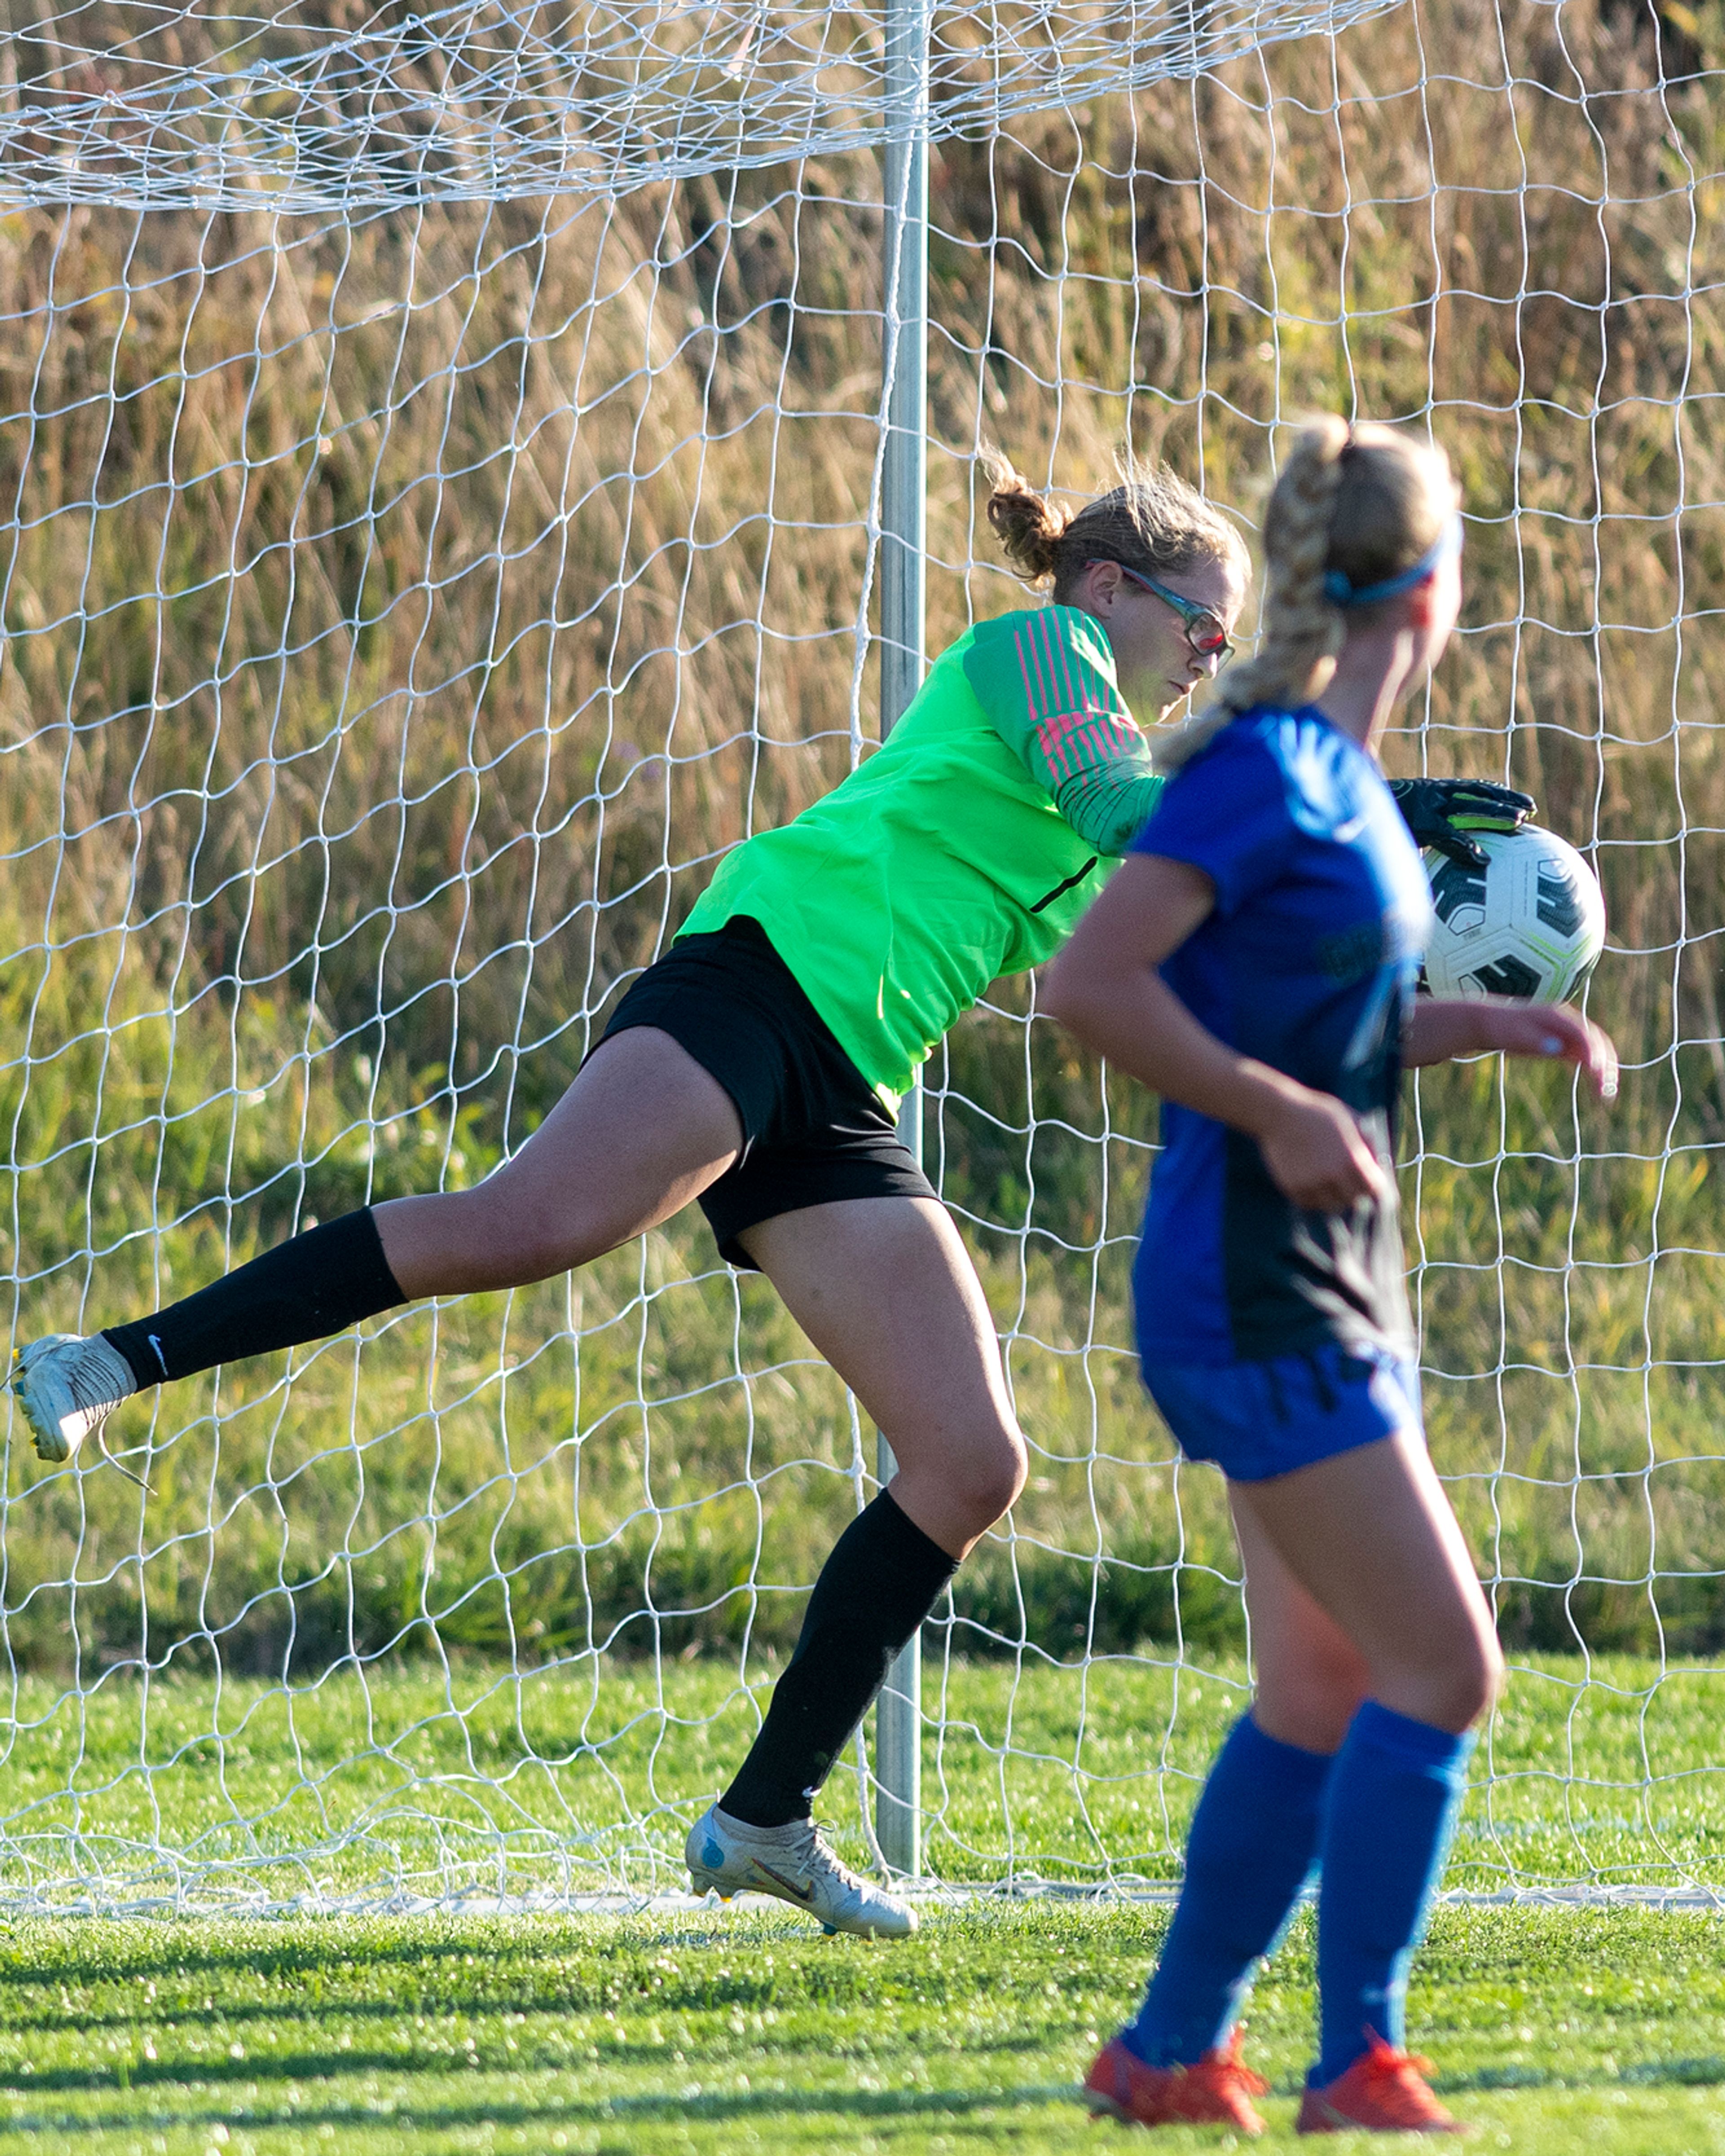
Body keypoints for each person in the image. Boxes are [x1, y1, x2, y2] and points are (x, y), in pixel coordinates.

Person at [11, 451, 1253, 1939]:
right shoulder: (1047, 648)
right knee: (525, 1226)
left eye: (1227, 648)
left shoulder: (1109, 765)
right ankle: (104, 1361)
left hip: (843, 1075)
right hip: (761, 980)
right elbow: (1123, 803)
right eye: (1204, 628)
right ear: (1113, 586)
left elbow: (1130, 930)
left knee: (971, 1460)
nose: (1212, 662)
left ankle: (765, 1820)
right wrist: (1279, 780)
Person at [1043, 421, 1616, 2133]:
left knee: (1321, 1685)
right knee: (1447, 1669)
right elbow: (1092, 990)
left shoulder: (1341, 782)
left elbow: (1320, 1015)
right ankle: (1356, 2059)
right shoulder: (1262, 773)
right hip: (1256, 1279)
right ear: (1427, 593)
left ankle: (1162, 2056)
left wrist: (1476, 1022)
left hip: (1313, 1267)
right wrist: (1284, 1107)